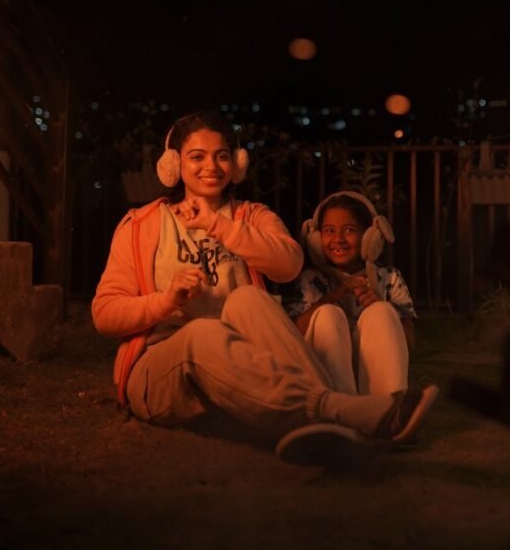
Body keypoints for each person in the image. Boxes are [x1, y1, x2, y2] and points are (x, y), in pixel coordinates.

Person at [91, 112, 438, 466]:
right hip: (163, 369)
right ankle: (337, 412)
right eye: (197, 156)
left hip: (243, 366)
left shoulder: (251, 217)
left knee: (248, 298)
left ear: (236, 163)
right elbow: (104, 315)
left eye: (222, 155)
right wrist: (166, 301)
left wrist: (218, 224)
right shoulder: (141, 225)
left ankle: (332, 423)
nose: (211, 165)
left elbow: (288, 264)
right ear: (173, 164)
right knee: (202, 333)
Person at [288, 191, 415, 398]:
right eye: (329, 231)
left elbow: (409, 343)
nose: (338, 239)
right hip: (327, 377)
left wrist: (379, 304)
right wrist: (334, 296)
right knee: (328, 314)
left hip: (373, 372)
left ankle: (387, 411)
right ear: (317, 238)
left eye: (349, 230)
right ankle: (340, 413)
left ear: (369, 237)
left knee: (381, 311)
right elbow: (293, 335)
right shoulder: (310, 280)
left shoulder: (389, 278)